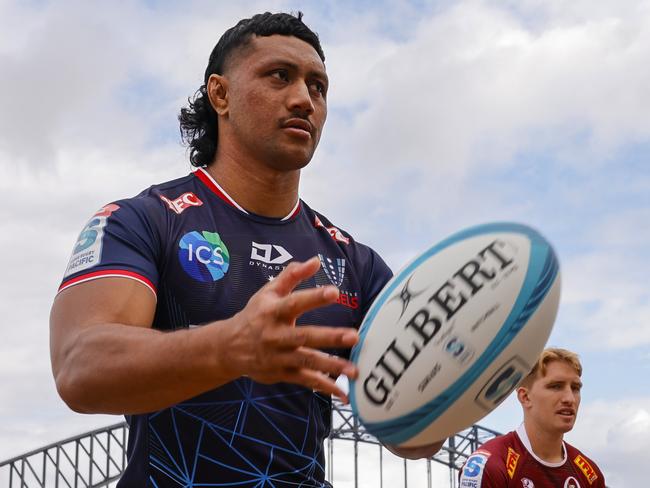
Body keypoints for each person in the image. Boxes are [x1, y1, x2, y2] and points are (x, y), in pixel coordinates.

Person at [50, 12, 442, 487]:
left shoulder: (354, 263)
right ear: (220, 94)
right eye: (280, 76)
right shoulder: (142, 220)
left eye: (318, 87)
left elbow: (415, 440)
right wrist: (232, 346)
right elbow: (79, 368)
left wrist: (473, 361)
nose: (304, 99)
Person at [459, 348, 605, 487]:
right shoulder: (488, 466)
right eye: (556, 386)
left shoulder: (590, 474)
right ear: (525, 397)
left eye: (575, 388)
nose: (570, 398)